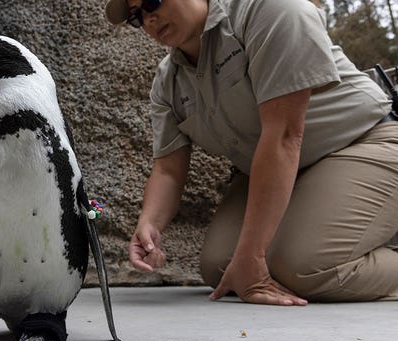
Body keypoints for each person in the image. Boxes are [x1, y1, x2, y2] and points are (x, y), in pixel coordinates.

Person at [105, 0, 398, 305]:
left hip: (363, 142)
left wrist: (253, 255)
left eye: (152, 2)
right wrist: (149, 222)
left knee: (305, 266)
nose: (149, 19)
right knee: (220, 266)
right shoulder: (168, 81)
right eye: (137, 16)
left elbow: (284, 136)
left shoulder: (272, 11)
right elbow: (168, 168)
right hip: (290, 169)